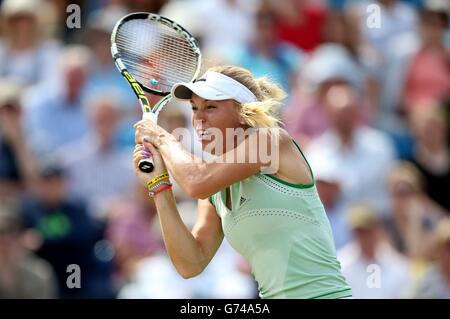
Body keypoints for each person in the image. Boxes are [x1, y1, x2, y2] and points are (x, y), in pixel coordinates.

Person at [133, 65, 352, 299]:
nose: (198, 119)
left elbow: (195, 180)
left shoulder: (271, 141)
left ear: (243, 112)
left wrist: (160, 136)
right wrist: (160, 185)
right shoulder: (214, 188)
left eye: (211, 107)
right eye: (195, 109)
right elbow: (190, 264)